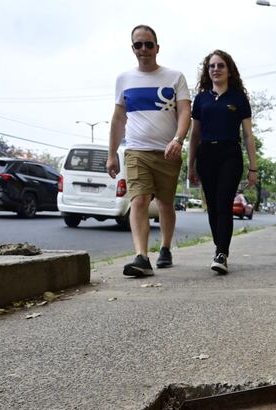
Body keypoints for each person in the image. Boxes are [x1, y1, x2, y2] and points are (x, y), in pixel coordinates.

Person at [106, 25, 191, 277]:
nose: (143, 49)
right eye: (138, 45)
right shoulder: (124, 79)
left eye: (148, 44)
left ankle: (165, 248)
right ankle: (141, 257)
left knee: (165, 204)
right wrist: (112, 154)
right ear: (132, 48)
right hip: (136, 151)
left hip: (168, 152)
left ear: (157, 47)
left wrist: (178, 139)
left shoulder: (175, 77)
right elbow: (118, 118)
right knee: (139, 200)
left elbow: (185, 111)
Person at [188, 50, 257, 274]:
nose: (215, 69)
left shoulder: (238, 98)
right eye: (211, 66)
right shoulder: (201, 99)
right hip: (205, 155)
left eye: (220, 65)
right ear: (207, 72)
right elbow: (194, 135)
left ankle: (221, 253)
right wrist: (190, 166)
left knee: (224, 203)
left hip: (230, 154)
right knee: (212, 207)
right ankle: (219, 249)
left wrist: (253, 168)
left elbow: (248, 135)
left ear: (229, 70)